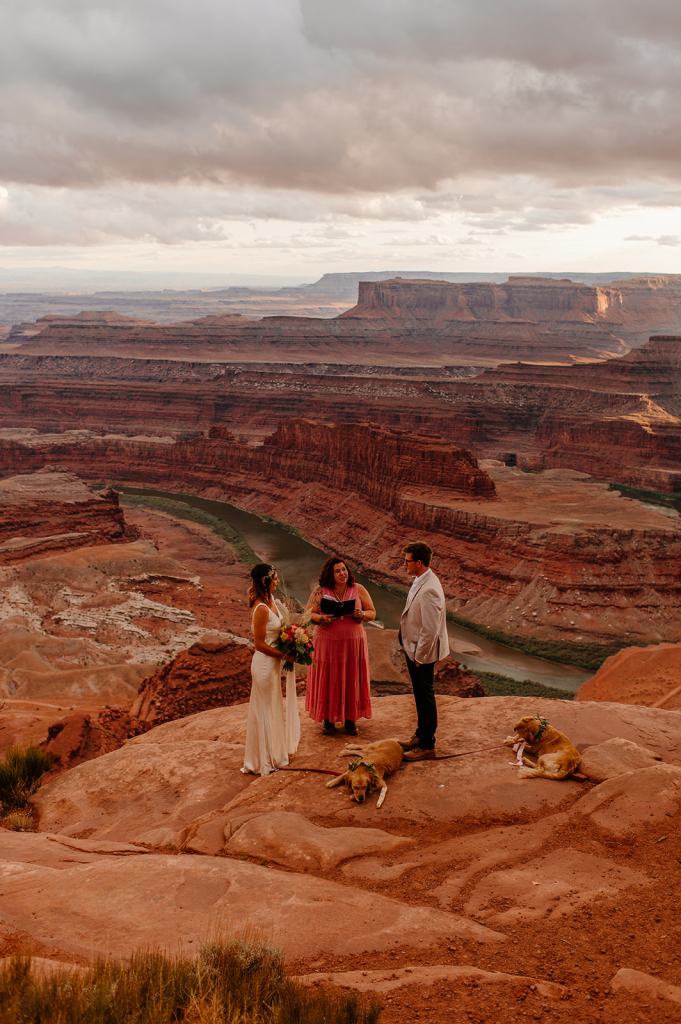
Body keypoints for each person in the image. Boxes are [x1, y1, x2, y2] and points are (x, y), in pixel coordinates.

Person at [305, 556, 375, 736]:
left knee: (351, 677)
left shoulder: (358, 589)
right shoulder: (320, 591)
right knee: (330, 678)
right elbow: (308, 614)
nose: (342, 573)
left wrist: (362, 615)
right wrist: (321, 618)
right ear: (330, 574)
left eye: (344, 569)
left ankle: (350, 720)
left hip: (353, 643)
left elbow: (372, 612)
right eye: (337, 571)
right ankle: (328, 720)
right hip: (327, 643)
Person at [241, 563, 299, 776]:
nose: (277, 581)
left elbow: (280, 630)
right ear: (266, 581)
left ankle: (273, 753)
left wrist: (292, 638)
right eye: (274, 579)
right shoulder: (261, 608)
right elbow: (259, 644)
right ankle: (263, 760)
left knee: (273, 707)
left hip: (273, 666)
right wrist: (284, 655)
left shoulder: (272, 601)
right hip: (264, 665)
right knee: (264, 710)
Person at [398, 541, 449, 761]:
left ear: (419, 563)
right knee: (419, 694)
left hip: (421, 653)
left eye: (407, 561)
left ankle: (427, 744)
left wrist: (420, 656)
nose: (404, 565)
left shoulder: (430, 589)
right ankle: (420, 735)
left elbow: (430, 628)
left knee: (425, 695)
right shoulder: (421, 579)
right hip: (414, 648)